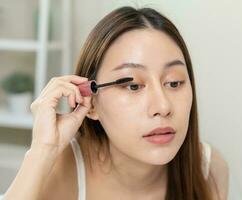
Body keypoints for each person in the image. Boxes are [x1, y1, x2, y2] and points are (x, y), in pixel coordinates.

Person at [3, 6, 229, 200]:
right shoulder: (62, 170)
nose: (163, 106)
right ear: (90, 103)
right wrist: (42, 151)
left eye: (174, 82)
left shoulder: (208, 169)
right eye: (133, 86)